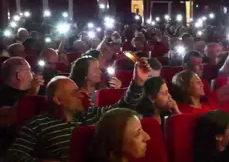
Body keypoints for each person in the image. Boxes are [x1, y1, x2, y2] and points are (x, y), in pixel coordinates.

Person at [6, 61, 150, 161]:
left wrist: (137, 83)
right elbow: (14, 156)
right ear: (58, 100)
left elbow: (120, 111)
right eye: (74, 93)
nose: (81, 95)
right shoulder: (37, 124)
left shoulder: (88, 115)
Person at [172, 45, 229, 114]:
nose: (202, 66)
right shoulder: (179, 109)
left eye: (201, 63)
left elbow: (227, 79)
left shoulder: (205, 83)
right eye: (197, 64)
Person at [0, 57, 44, 153]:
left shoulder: (30, 92)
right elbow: (11, 117)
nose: (33, 73)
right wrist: (31, 95)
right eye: (29, 70)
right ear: (19, 75)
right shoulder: (3, 95)